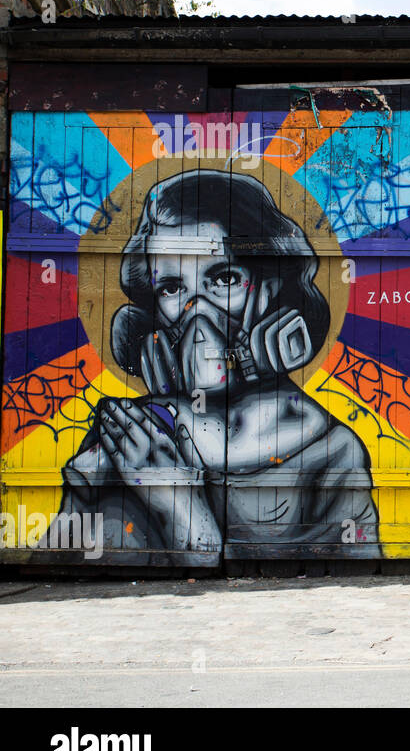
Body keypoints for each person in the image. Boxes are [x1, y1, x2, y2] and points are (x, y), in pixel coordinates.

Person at [55, 170, 379, 560]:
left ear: (270, 290)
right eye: (172, 288)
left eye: (224, 278)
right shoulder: (134, 437)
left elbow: (346, 586)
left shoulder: (331, 452)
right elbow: (68, 561)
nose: (199, 315)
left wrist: (180, 507)